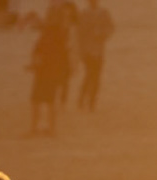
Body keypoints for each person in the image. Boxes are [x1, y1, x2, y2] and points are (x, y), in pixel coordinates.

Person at [26, 4, 70, 136]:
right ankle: (48, 129)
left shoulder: (55, 32)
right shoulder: (55, 32)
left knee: (40, 100)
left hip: (47, 70)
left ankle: (42, 129)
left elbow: (45, 51)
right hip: (48, 70)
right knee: (44, 100)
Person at [74, 0, 113, 111]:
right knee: (91, 74)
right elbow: (79, 33)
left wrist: (102, 34)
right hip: (88, 50)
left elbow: (110, 28)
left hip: (98, 50)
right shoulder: (84, 14)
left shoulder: (104, 13)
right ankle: (84, 99)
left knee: (95, 76)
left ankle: (90, 101)